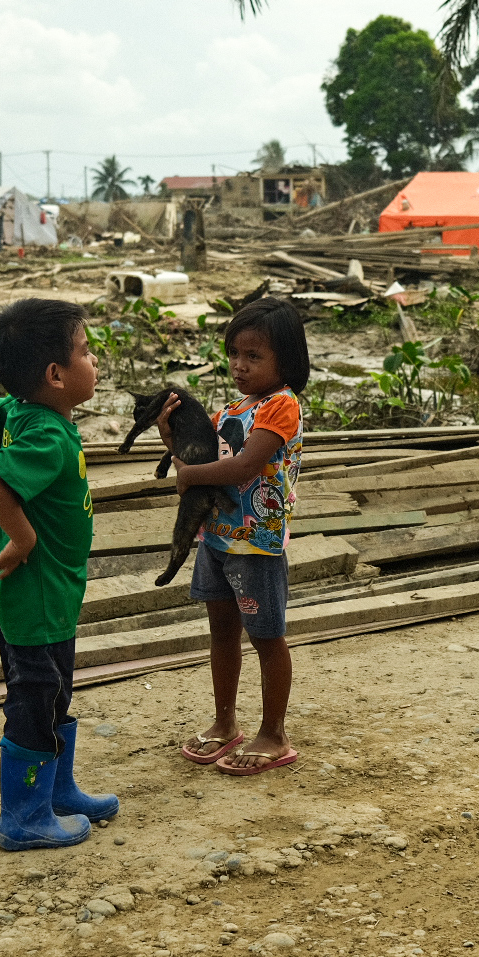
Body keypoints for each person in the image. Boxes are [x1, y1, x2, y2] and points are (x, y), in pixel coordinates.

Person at [0, 298, 118, 851]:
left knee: (54, 694)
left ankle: (57, 791)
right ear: (55, 375)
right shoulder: (45, 436)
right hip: (39, 591)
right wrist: (21, 538)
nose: (93, 359)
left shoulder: (17, 411)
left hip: (45, 594)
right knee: (36, 700)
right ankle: (23, 816)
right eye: (84, 351)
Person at [155, 298, 309, 776]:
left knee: (267, 637)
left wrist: (188, 474)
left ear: (287, 361)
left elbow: (243, 466)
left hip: (257, 544)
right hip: (218, 539)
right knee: (221, 633)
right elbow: (201, 459)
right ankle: (225, 723)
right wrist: (168, 433)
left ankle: (275, 734)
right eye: (235, 354)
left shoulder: (281, 407)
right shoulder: (233, 408)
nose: (240, 365)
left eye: (254, 356)